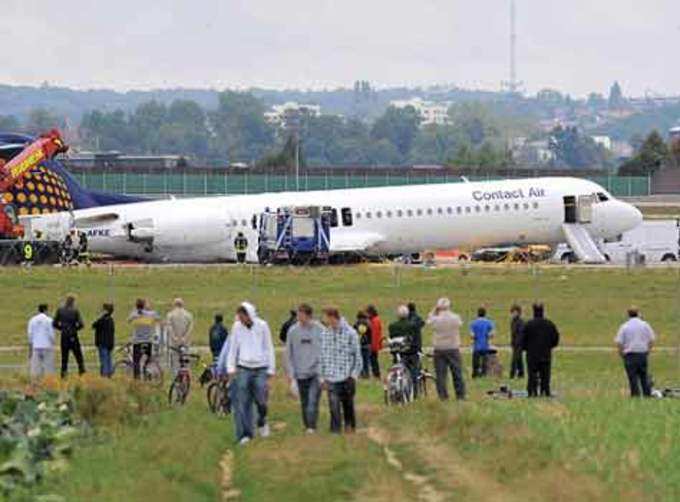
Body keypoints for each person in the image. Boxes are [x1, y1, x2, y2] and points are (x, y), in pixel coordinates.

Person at [226, 302, 275, 445]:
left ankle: (262, 421)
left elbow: (269, 347)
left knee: (261, 398)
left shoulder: (263, 326)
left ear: (249, 315)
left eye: (243, 317)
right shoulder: (236, 327)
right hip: (243, 367)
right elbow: (233, 347)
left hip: (260, 368)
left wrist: (271, 369)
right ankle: (246, 434)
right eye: (239, 317)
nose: (241, 320)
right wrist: (231, 368)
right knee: (242, 401)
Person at [320, 307, 362, 434]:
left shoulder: (350, 333)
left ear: (333, 317)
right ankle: (335, 432)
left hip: (346, 376)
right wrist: (322, 377)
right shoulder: (325, 334)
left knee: (348, 405)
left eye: (326, 317)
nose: (324, 320)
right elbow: (322, 356)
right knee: (333, 407)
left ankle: (350, 427)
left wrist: (354, 376)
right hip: (331, 377)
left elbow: (357, 357)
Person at [286, 304, 324, 433]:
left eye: (301, 315)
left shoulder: (320, 329)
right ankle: (307, 424)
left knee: (313, 400)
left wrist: (323, 371)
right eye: (298, 315)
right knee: (305, 402)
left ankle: (311, 427)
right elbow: (288, 353)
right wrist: (291, 375)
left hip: (315, 372)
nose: (299, 318)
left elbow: (326, 349)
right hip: (299, 373)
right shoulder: (292, 331)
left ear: (309, 316)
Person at [427, 298, 465, 401]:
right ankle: (460, 395)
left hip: (439, 348)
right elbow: (460, 324)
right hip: (453, 348)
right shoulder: (455, 318)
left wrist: (434, 311)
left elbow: (429, 321)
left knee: (441, 375)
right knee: (457, 373)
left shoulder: (436, 319)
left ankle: (443, 396)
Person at [615, 307, 656, 398]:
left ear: (628, 314)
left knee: (632, 377)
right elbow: (652, 339)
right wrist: (648, 350)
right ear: (638, 313)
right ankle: (647, 394)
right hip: (642, 354)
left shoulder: (625, 326)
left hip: (630, 355)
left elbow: (619, 342)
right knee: (643, 376)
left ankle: (635, 395)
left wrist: (621, 353)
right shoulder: (645, 325)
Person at [522, 303, 560, 397]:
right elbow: (555, 338)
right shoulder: (549, 324)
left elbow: (522, 339)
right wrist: (550, 346)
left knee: (532, 374)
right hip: (546, 353)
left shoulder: (528, 325)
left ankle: (532, 391)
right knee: (545, 374)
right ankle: (545, 391)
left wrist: (526, 348)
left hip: (532, 354)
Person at [388, 305, 421, 397]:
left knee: (397, 370)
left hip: (398, 352)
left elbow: (392, 338)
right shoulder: (412, 326)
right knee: (413, 373)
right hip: (411, 353)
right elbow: (415, 339)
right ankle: (414, 392)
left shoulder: (392, 326)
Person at [128, 299, 161, 379]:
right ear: (144, 306)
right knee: (148, 358)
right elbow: (158, 318)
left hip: (137, 341)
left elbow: (128, 320)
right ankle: (147, 371)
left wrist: (135, 311)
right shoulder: (151, 314)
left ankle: (137, 378)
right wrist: (148, 310)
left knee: (136, 361)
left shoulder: (134, 315)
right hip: (148, 340)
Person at [53, 295, 85, 378]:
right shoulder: (75, 311)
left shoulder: (60, 310)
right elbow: (81, 324)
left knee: (64, 358)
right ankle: (82, 373)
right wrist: (75, 329)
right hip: (73, 336)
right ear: (73, 302)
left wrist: (62, 328)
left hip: (64, 336)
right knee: (79, 357)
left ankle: (63, 375)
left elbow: (54, 323)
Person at [28, 304, 56, 379]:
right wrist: (53, 343)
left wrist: (30, 347)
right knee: (48, 368)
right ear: (46, 310)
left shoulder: (32, 320)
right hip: (47, 346)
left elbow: (30, 335)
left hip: (36, 346)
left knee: (35, 368)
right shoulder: (49, 320)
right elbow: (51, 334)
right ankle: (49, 383)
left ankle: (35, 384)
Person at [166, 298, 194, 372]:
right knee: (186, 358)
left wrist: (174, 337)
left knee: (175, 361)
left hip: (174, 342)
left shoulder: (170, 315)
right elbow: (190, 328)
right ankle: (186, 375)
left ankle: (176, 376)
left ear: (174, 304)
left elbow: (169, 328)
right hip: (185, 341)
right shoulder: (189, 315)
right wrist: (185, 338)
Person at [469, 307, 495, 378]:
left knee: (475, 362)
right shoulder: (489, 322)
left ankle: (475, 374)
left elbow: (472, 335)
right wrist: (487, 336)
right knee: (484, 361)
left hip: (476, 346)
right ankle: (484, 374)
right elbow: (492, 334)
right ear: (485, 314)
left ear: (477, 314)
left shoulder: (473, 323)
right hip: (485, 345)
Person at [92, 303, 115, 377]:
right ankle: (109, 374)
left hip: (102, 343)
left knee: (104, 361)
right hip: (110, 343)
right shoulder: (111, 320)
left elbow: (94, 325)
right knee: (109, 359)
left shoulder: (102, 320)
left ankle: (104, 376)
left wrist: (100, 316)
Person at [354, 311, 372, 379]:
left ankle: (360, 374)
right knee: (366, 361)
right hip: (367, 345)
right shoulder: (368, 324)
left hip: (358, 345)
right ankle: (367, 375)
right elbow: (370, 335)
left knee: (359, 361)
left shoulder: (356, 324)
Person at [365, 305, 383, 378]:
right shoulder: (375, 320)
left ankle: (376, 374)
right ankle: (376, 374)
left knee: (373, 360)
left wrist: (373, 346)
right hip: (375, 344)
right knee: (373, 360)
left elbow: (374, 334)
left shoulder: (375, 321)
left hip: (374, 344)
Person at [509, 304, 525, 379]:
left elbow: (521, 333)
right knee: (519, 359)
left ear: (518, 312)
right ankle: (521, 373)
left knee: (515, 359)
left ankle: (512, 374)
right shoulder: (513, 322)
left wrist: (518, 342)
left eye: (514, 312)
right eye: (512, 312)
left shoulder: (520, 322)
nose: (512, 314)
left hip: (519, 344)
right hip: (514, 343)